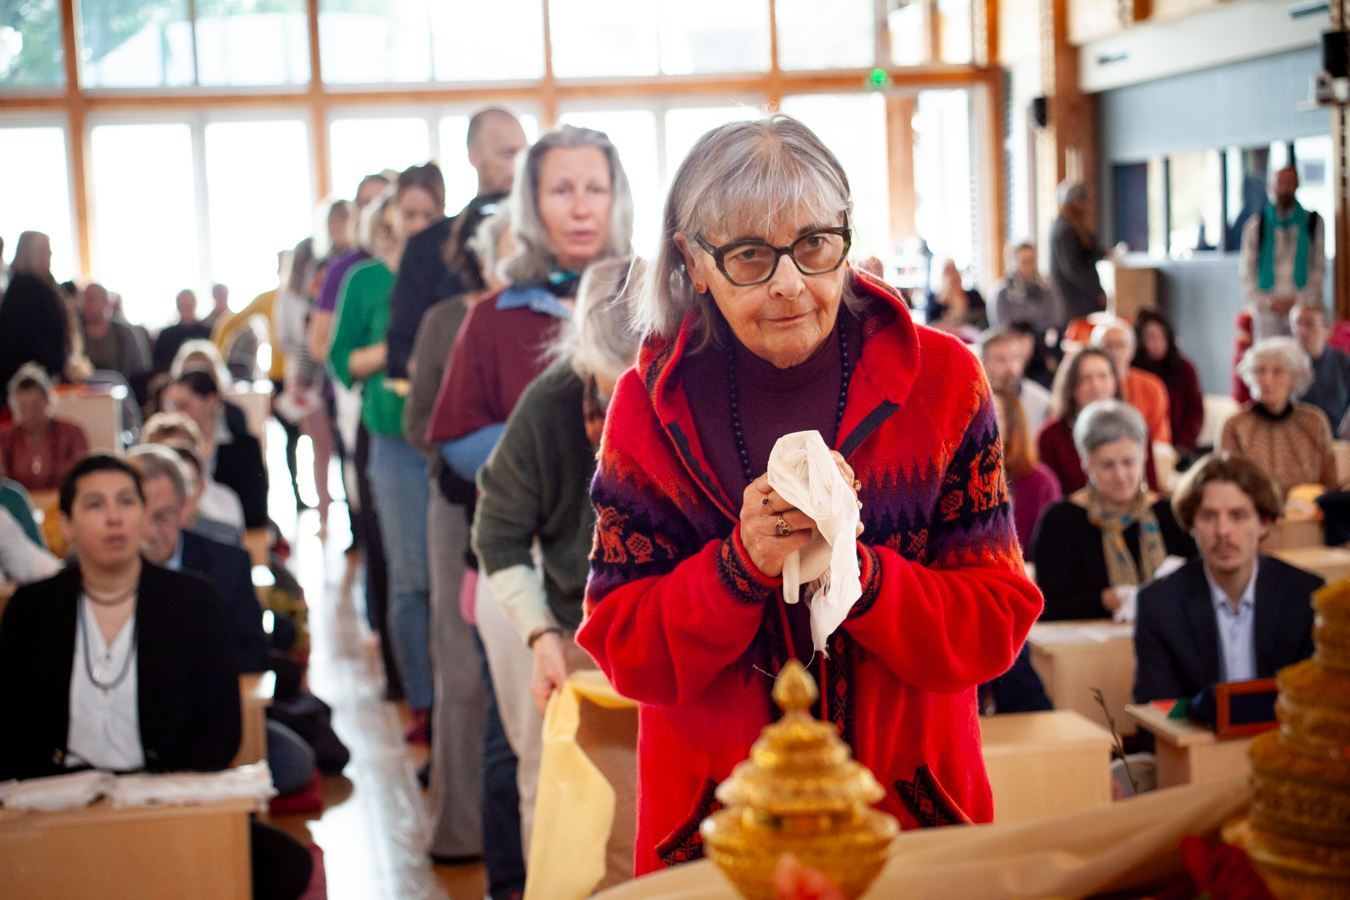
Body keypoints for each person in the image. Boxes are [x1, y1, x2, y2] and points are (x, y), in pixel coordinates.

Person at [575, 115, 1040, 875]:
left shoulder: (946, 383)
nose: (791, 284)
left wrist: (860, 574)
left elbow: (994, 623)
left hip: (909, 825)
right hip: (721, 841)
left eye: (816, 245)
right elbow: (627, 650)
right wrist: (739, 565)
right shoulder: (648, 408)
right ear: (693, 261)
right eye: (751, 256)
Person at [429, 122, 634, 894]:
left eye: (595, 188)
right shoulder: (497, 318)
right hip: (533, 554)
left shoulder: (651, 296)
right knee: (528, 748)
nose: (580, 207)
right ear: (532, 203)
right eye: (560, 190)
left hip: (614, 564)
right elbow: (451, 445)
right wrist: (546, 452)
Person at [0, 454, 313, 897]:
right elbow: (11, 727)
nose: (114, 518)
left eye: (126, 502)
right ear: (66, 525)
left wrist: (153, 781)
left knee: (285, 866)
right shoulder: (33, 609)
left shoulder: (192, 600)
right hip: (59, 799)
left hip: (163, 791)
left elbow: (221, 731)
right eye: (95, 505)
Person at [472, 255, 642, 853]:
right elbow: (497, 533)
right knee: (562, 790)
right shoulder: (550, 405)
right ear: (585, 357)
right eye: (613, 388)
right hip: (568, 616)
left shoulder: (694, 387)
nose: (630, 404)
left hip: (658, 619)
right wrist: (542, 636)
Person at [402, 211, 513, 866]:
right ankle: (460, 831)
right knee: (462, 668)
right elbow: (420, 421)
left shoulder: (553, 313)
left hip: (540, 513)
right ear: (481, 255)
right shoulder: (446, 320)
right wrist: (488, 450)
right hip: (457, 507)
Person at [127, 444, 317, 796]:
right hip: (129, 724)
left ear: (185, 507)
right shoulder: (110, 575)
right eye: (142, 516)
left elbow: (254, 651)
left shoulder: (227, 563)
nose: (152, 532)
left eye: (164, 516)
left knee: (293, 764)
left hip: (212, 716)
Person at [329, 166, 445, 744]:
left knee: (454, 578)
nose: (419, 225)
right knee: (410, 579)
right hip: (394, 442)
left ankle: (457, 699)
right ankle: (421, 699)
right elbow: (341, 360)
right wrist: (397, 351)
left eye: (429, 214)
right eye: (410, 214)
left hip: (448, 439)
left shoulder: (450, 271)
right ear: (392, 217)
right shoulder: (367, 280)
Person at [1134, 453, 1321, 702]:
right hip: (1197, 728)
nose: (1223, 531)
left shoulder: (1306, 595)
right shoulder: (1158, 604)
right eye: (1208, 516)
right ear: (1191, 525)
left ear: (1264, 523)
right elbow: (1155, 711)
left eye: (1238, 515)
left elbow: (1321, 702)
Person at [387, 107, 528, 383]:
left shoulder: (550, 240)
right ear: (474, 155)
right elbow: (403, 351)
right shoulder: (428, 246)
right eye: (507, 154)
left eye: (525, 155)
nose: (519, 166)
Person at [1030, 400, 1194, 622]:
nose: (1120, 475)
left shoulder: (1170, 514)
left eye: (1128, 462)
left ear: (1143, 458)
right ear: (1086, 464)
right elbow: (1046, 605)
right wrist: (1102, 601)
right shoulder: (1060, 520)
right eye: (1107, 465)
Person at [1221, 337, 1337, 497]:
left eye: (1278, 372)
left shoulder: (1315, 421)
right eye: (1260, 371)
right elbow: (1226, 486)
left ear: (1295, 378)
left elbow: (1330, 484)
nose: (1267, 380)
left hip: (1307, 509)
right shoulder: (1235, 425)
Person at [1037, 348, 1159, 494]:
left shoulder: (1135, 426)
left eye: (1103, 376)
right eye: (1086, 378)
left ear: (1114, 382)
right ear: (1071, 386)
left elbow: (1151, 488)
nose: (1096, 385)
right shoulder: (1049, 436)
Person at [163, 368, 269, 529]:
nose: (176, 414)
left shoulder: (244, 447)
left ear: (211, 401)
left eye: (184, 405)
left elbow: (255, 510)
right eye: (172, 406)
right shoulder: (166, 446)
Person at [306, 175, 392, 364]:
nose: (376, 209)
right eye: (367, 202)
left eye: (384, 200)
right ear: (356, 211)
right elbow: (318, 344)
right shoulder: (343, 270)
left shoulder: (409, 264)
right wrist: (366, 361)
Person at [1240, 165, 1326, 343]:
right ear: (1271, 187)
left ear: (1297, 185)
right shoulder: (1256, 226)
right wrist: (1270, 303)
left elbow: (1319, 267)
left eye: (1289, 183)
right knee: (1270, 354)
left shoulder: (1312, 223)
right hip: (1267, 311)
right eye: (1280, 183)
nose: (1285, 188)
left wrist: (1298, 301)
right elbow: (1247, 274)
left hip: (1303, 307)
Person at [0, 363, 90, 493]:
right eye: (23, 408)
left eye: (35, 406)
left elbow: (84, 478)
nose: (29, 414)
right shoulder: (5, 438)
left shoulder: (72, 433)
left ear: (48, 401)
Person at [992, 386, 1060, 557]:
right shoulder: (957, 478)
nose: (982, 422)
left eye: (994, 414)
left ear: (1012, 426)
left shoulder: (1041, 482)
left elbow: (1052, 549)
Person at [0, 230, 71, 391]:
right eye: (45, 250)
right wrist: (58, 362)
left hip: (44, 373)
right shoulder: (22, 291)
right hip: (29, 381)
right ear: (30, 254)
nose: (50, 254)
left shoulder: (43, 287)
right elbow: (28, 337)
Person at [1132, 310, 1204, 455]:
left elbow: (1195, 412)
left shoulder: (1184, 367)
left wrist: (1181, 446)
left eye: (1162, 336)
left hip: (1179, 447)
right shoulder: (1133, 372)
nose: (1158, 342)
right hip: (1140, 448)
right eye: (1151, 337)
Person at [1090, 317, 1172, 444]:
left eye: (1120, 345)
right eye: (1107, 346)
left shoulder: (1152, 387)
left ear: (1132, 349)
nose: (1114, 352)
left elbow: (1160, 438)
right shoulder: (1089, 386)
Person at [1048, 181, 1107, 323]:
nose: (1086, 205)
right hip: (1076, 299)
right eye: (1082, 200)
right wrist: (1096, 291)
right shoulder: (1065, 229)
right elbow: (1073, 267)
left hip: (1080, 297)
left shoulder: (1071, 226)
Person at [980, 328, 1052, 433]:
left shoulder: (1042, 403)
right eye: (1000, 360)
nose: (1010, 367)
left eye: (1015, 358)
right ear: (982, 363)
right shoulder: (973, 402)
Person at [1291, 303, 1350, 429]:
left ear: (1328, 331)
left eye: (1310, 324)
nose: (1302, 331)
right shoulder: (1283, 363)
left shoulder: (1344, 363)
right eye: (1298, 323)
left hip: (1334, 436)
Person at [79, 281, 151, 382]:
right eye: (84, 299)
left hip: (120, 387)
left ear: (105, 302)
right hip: (82, 389)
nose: (86, 305)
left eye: (92, 300)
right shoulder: (76, 332)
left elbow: (140, 369)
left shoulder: (124, 333)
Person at [992, 241, 1059, 334]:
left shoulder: (1046, 289)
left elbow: (1054, 320)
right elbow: (1001, 327)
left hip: (1041, 339)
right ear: (1014, 263)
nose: (1029, 266)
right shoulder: (1002, 293)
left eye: (1032, 261)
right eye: (1024, 261)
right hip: (1013, 340)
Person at [152, 289, 213, 373]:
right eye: (183, 305)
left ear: (195, 305)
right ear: (178, 307)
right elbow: (158, 365)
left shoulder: (209, 333)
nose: (186, 308)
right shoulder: (165, 336)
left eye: (189, 305)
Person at [924, 258, 987, 334]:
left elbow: (984, 317)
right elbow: (930, 326)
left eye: (954, 272)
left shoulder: (973, 295)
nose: (951, 277)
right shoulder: (934, 301)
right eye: (947, 273)